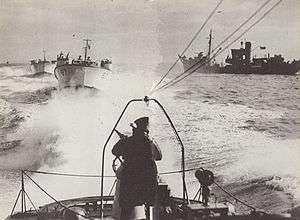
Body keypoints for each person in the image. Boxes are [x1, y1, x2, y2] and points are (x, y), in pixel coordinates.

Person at [112, 116, 162, 220]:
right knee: (149, 206)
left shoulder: (128, 142)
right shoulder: (150, 143)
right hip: (147, 181)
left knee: (126, 207)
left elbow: (115, 151)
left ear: (135, 130)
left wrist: (123, 140)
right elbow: (159, 156)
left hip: (131, 181)